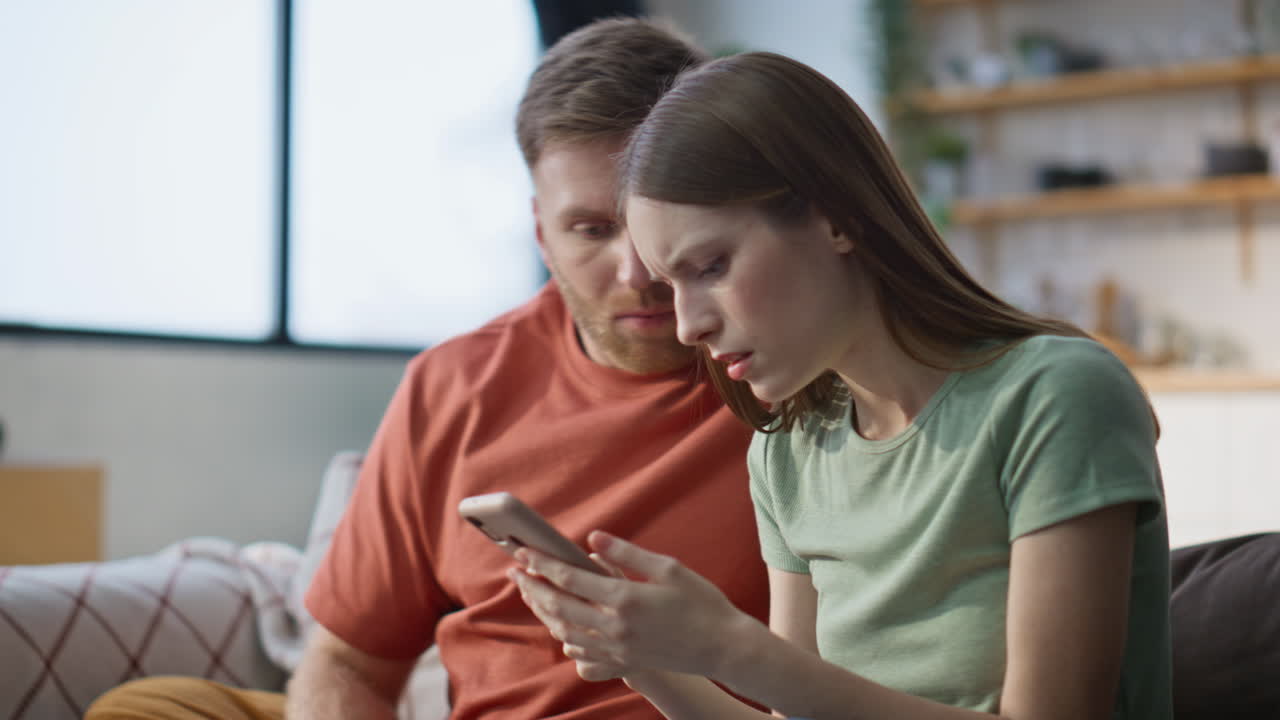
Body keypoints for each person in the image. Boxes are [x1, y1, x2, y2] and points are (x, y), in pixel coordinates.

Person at [85, 18, 770, 720]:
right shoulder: (455, 385)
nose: (638, 272)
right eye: (592, 230)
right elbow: (350, 663)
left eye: (662, 222)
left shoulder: (789, 372)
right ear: (541, 233)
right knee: (147, 709)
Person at [510, 51, 1173, 720]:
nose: (687, 326)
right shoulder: (789, 452)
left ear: (835, 218)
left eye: (710, 266)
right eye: (670, 284)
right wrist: (648, 661)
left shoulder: (1054, 396)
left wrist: (736, 651)